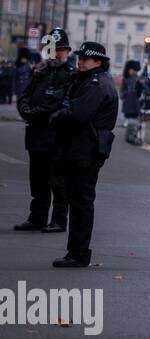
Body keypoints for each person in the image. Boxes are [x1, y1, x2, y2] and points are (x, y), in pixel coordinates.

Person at [47, 40, 119, 268]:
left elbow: (77, 114)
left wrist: (56, 117)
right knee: (78, 200)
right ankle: (76, 251)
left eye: (85, 59)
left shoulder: (97, 85)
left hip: (85, 149)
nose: (81, 62)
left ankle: (78, 253)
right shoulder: (90, 80)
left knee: (80, 202)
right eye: (80, 58)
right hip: (81, 148)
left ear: (98, 61)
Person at [15, 28, 74, 234]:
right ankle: (37, 218)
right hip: (36, 134)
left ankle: (58, 220)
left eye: (60, 49)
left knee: (57, 181)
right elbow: (25, 93)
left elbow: (56, 101)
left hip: (56, 136)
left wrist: (33, 112)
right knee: (37, 179)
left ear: (67, 51)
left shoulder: (70, 75)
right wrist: (24, 109)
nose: (55, 53)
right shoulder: (40, 71)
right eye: (52, 49)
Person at [121, 59, 144, 145]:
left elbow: (140, 93)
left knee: (136, 120)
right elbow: (122, 92)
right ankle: (129, 136)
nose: (134, 72)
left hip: (136, 103)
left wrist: (140, 85)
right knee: (131, 120)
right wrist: (127, 94)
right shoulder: (125, 79)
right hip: (128, 102)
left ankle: (132, 136)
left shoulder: (137, 79)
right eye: (132, 70)